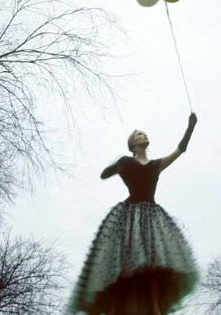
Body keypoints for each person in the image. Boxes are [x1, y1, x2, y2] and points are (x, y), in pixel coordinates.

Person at [67, 113, 199, 315]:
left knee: (153, 264)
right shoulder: (126, 162)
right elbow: (104, 174)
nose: (143, 135)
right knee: (124, 264)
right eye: (138, 134)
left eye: (144, 133)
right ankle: (114, 307)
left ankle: (155, 309)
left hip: (151, 217)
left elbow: (181, 150)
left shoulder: (156, 165)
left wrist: (190, 127)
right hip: (128, 218)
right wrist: (117, 167)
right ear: (133, 144)